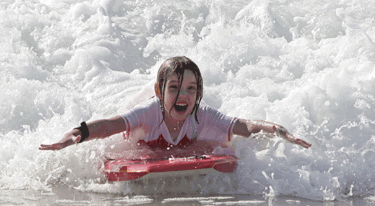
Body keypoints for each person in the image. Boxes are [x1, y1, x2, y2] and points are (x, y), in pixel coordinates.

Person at [39, 56, 311, 152]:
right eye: (175, 88)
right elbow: (111, 125)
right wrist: (77, 133)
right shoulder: (148, 112)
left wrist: (278, 130)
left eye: (191, 89)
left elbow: (245, 126)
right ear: (160, 92)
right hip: (141, 123)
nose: (184, 96)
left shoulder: (201, 114)